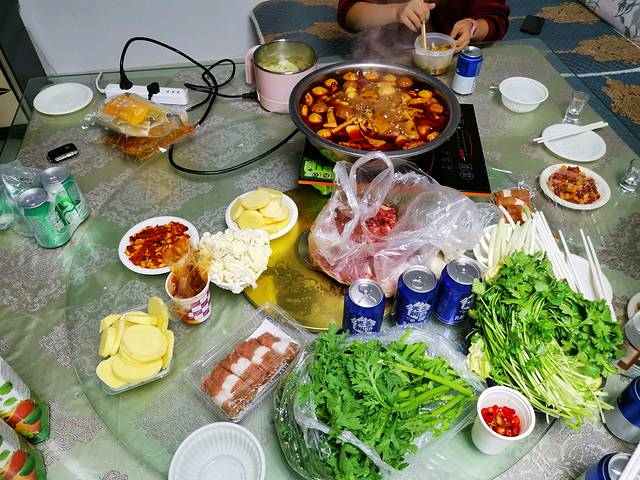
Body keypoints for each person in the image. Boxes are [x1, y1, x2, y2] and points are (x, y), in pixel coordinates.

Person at [337, 0, 510, 54]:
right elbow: (349, 15)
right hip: (384, 54)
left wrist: (472, 27)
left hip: (446, 57)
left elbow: (496, 19)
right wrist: (396, 11)